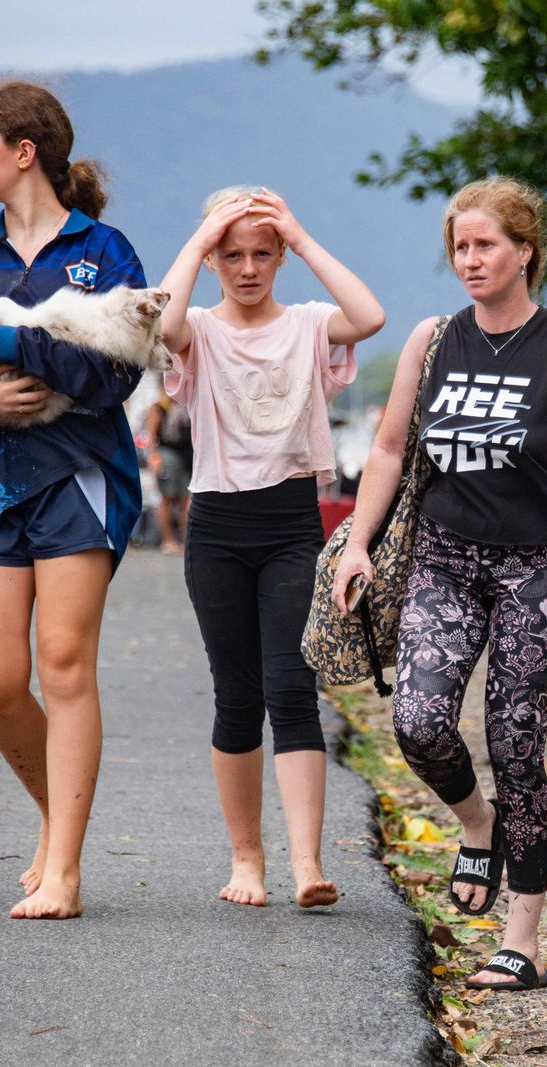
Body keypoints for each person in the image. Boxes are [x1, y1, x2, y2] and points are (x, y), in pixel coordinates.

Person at [331, 177, 547, 991]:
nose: (471, 260)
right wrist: (356, 545)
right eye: (461, 248)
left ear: (525, 253)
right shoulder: (434, 340)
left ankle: (524, 938)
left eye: (486, 246)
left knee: (516, 746)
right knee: (419, 720)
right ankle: (479, 825)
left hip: (537, 569)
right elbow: (392, 449)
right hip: (444, 559)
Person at [0, 80, 149, 920]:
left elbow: (119, 371)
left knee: (66, 664)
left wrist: (13, 341)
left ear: (24, 152)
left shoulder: (105, 249)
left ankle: (67, 872)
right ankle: (56, 817)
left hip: (82, 479)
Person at [156, 186, 383, 908]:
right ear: (214, 259)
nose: (247, 268)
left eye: (261, 253)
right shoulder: (196, 328)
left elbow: (371, 316)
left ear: (280, 256)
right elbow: (157, 321)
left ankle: (308, 863)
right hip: (217, 527)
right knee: (237, 696)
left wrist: (302, 232)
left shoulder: (313, 325)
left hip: (291, 523)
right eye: (232, 255)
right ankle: (246, 859)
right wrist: (199, 240)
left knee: (293, 690)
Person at [144, 389, 192, 555]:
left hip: (188, 455)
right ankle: (168, 540)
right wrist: (154, 457)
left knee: (187, 500)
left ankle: (187, 542)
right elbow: (151, 436)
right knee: (167, 497)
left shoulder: (188, 403)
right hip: (167, 454)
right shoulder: (160, 406)